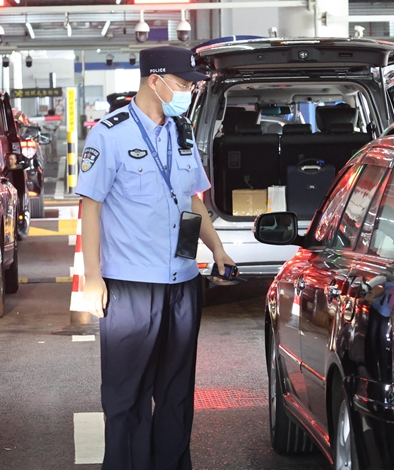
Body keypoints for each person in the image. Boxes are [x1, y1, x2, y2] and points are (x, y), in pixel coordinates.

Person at [76, 46, 236, 470]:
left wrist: (217, 247)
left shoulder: (182, 132)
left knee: (176, 393)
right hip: (131, 284)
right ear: (155, 80)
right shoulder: (110, 134)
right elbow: (90, 206)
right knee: (126, 395)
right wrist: (92, 277)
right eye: (183, 84)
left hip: (181, 282)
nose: (188, 92)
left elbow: (192, 199)